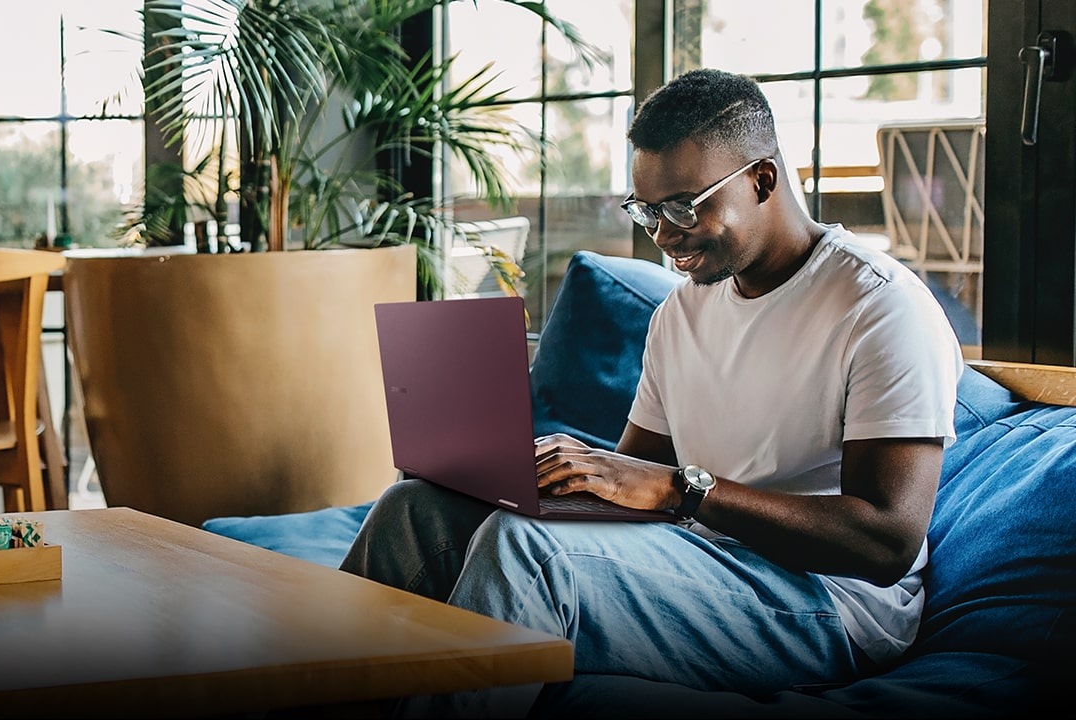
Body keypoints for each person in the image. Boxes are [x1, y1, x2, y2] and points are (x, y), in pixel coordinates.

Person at [339, 68, 965, 716]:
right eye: (646, 211)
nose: (663, 236)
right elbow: (627, 482)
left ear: (763, 180)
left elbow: (886, 541)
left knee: (528, 554)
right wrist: (519, 478)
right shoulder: (683, 314)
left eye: (683, 207)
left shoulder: (879, 308)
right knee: (415, 510)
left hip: (833, 604)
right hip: (696, 556)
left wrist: (681, 488)